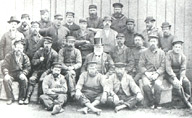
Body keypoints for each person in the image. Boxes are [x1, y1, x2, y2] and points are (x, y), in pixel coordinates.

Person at [24, 37, 58, 104]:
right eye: (45, 43)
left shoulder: (54, 54)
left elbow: (54, 66)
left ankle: (39, 98)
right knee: (32, 79)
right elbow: (33, 62)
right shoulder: (39, 52)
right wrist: (39, 60)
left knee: (42, 80)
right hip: (37, 70)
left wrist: (46, 72)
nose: (47, 45)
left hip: (48, 72)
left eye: (48, 44)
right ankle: (27, 97)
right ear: (43, 44)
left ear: (51, 44)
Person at [139, 35, 165, 108]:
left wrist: (157, 73)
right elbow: (141, 65)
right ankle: (151, 103)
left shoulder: (161, 53)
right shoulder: (144, 52)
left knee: (158, 85)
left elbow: (163, 66)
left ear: (157, 43)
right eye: (151, 41)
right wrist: (146, 73)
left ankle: (157, 103)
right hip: (147, 73)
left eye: (154, 41)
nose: (153, 43)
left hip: (158, 74)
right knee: (146, 85)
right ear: (149, 42)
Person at [1, 40, 31, 105]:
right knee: (6, 80)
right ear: (14, 48)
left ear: (23, 49)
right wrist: (6, 74)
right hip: (11, 73)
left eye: (21, 48)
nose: (19, 50)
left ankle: (21, 98)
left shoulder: (25, 57)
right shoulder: (9, 55)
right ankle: (10, 98)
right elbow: (4, 66)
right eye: (17, 48)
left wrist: (24, 73)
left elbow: (28, 67)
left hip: (20, 73)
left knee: (24, 80)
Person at [165, 38, 192, 109]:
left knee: (187, 83)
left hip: (179, 74)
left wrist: (180, 79)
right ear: (173, 47)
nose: (177, 49)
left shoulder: (183, 57)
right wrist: (175, 78)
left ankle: (188, 100)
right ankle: (186, 103)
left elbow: (183, 69)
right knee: (177, 85)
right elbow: (168, 68)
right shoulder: (169, 54)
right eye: (176, 47)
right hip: (170, 75)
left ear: (181, 48)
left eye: (179, 47)